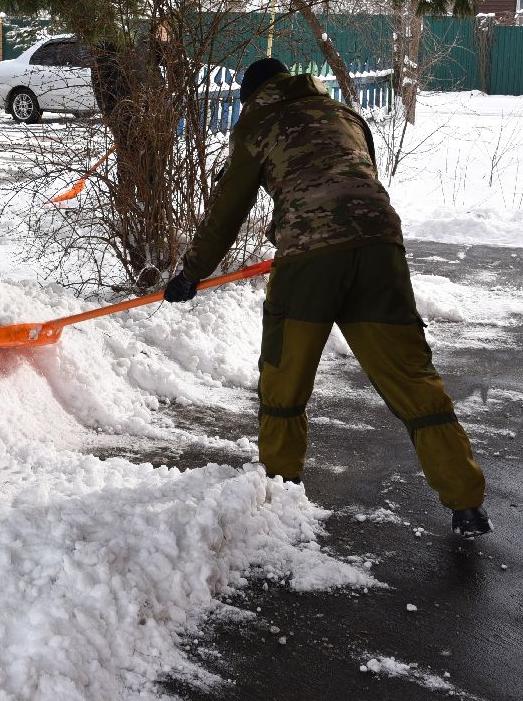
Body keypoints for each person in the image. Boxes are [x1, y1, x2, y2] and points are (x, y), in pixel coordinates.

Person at [163, 57, 491, 539]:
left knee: (284, 379)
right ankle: (467, 503)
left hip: (311, 263)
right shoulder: (343, 114)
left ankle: (280, 491)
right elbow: (356, 183)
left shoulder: (258, 123)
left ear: (251, 97)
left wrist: (190, 273)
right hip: (380, 248)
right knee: (412, 377)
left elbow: (226, 212)